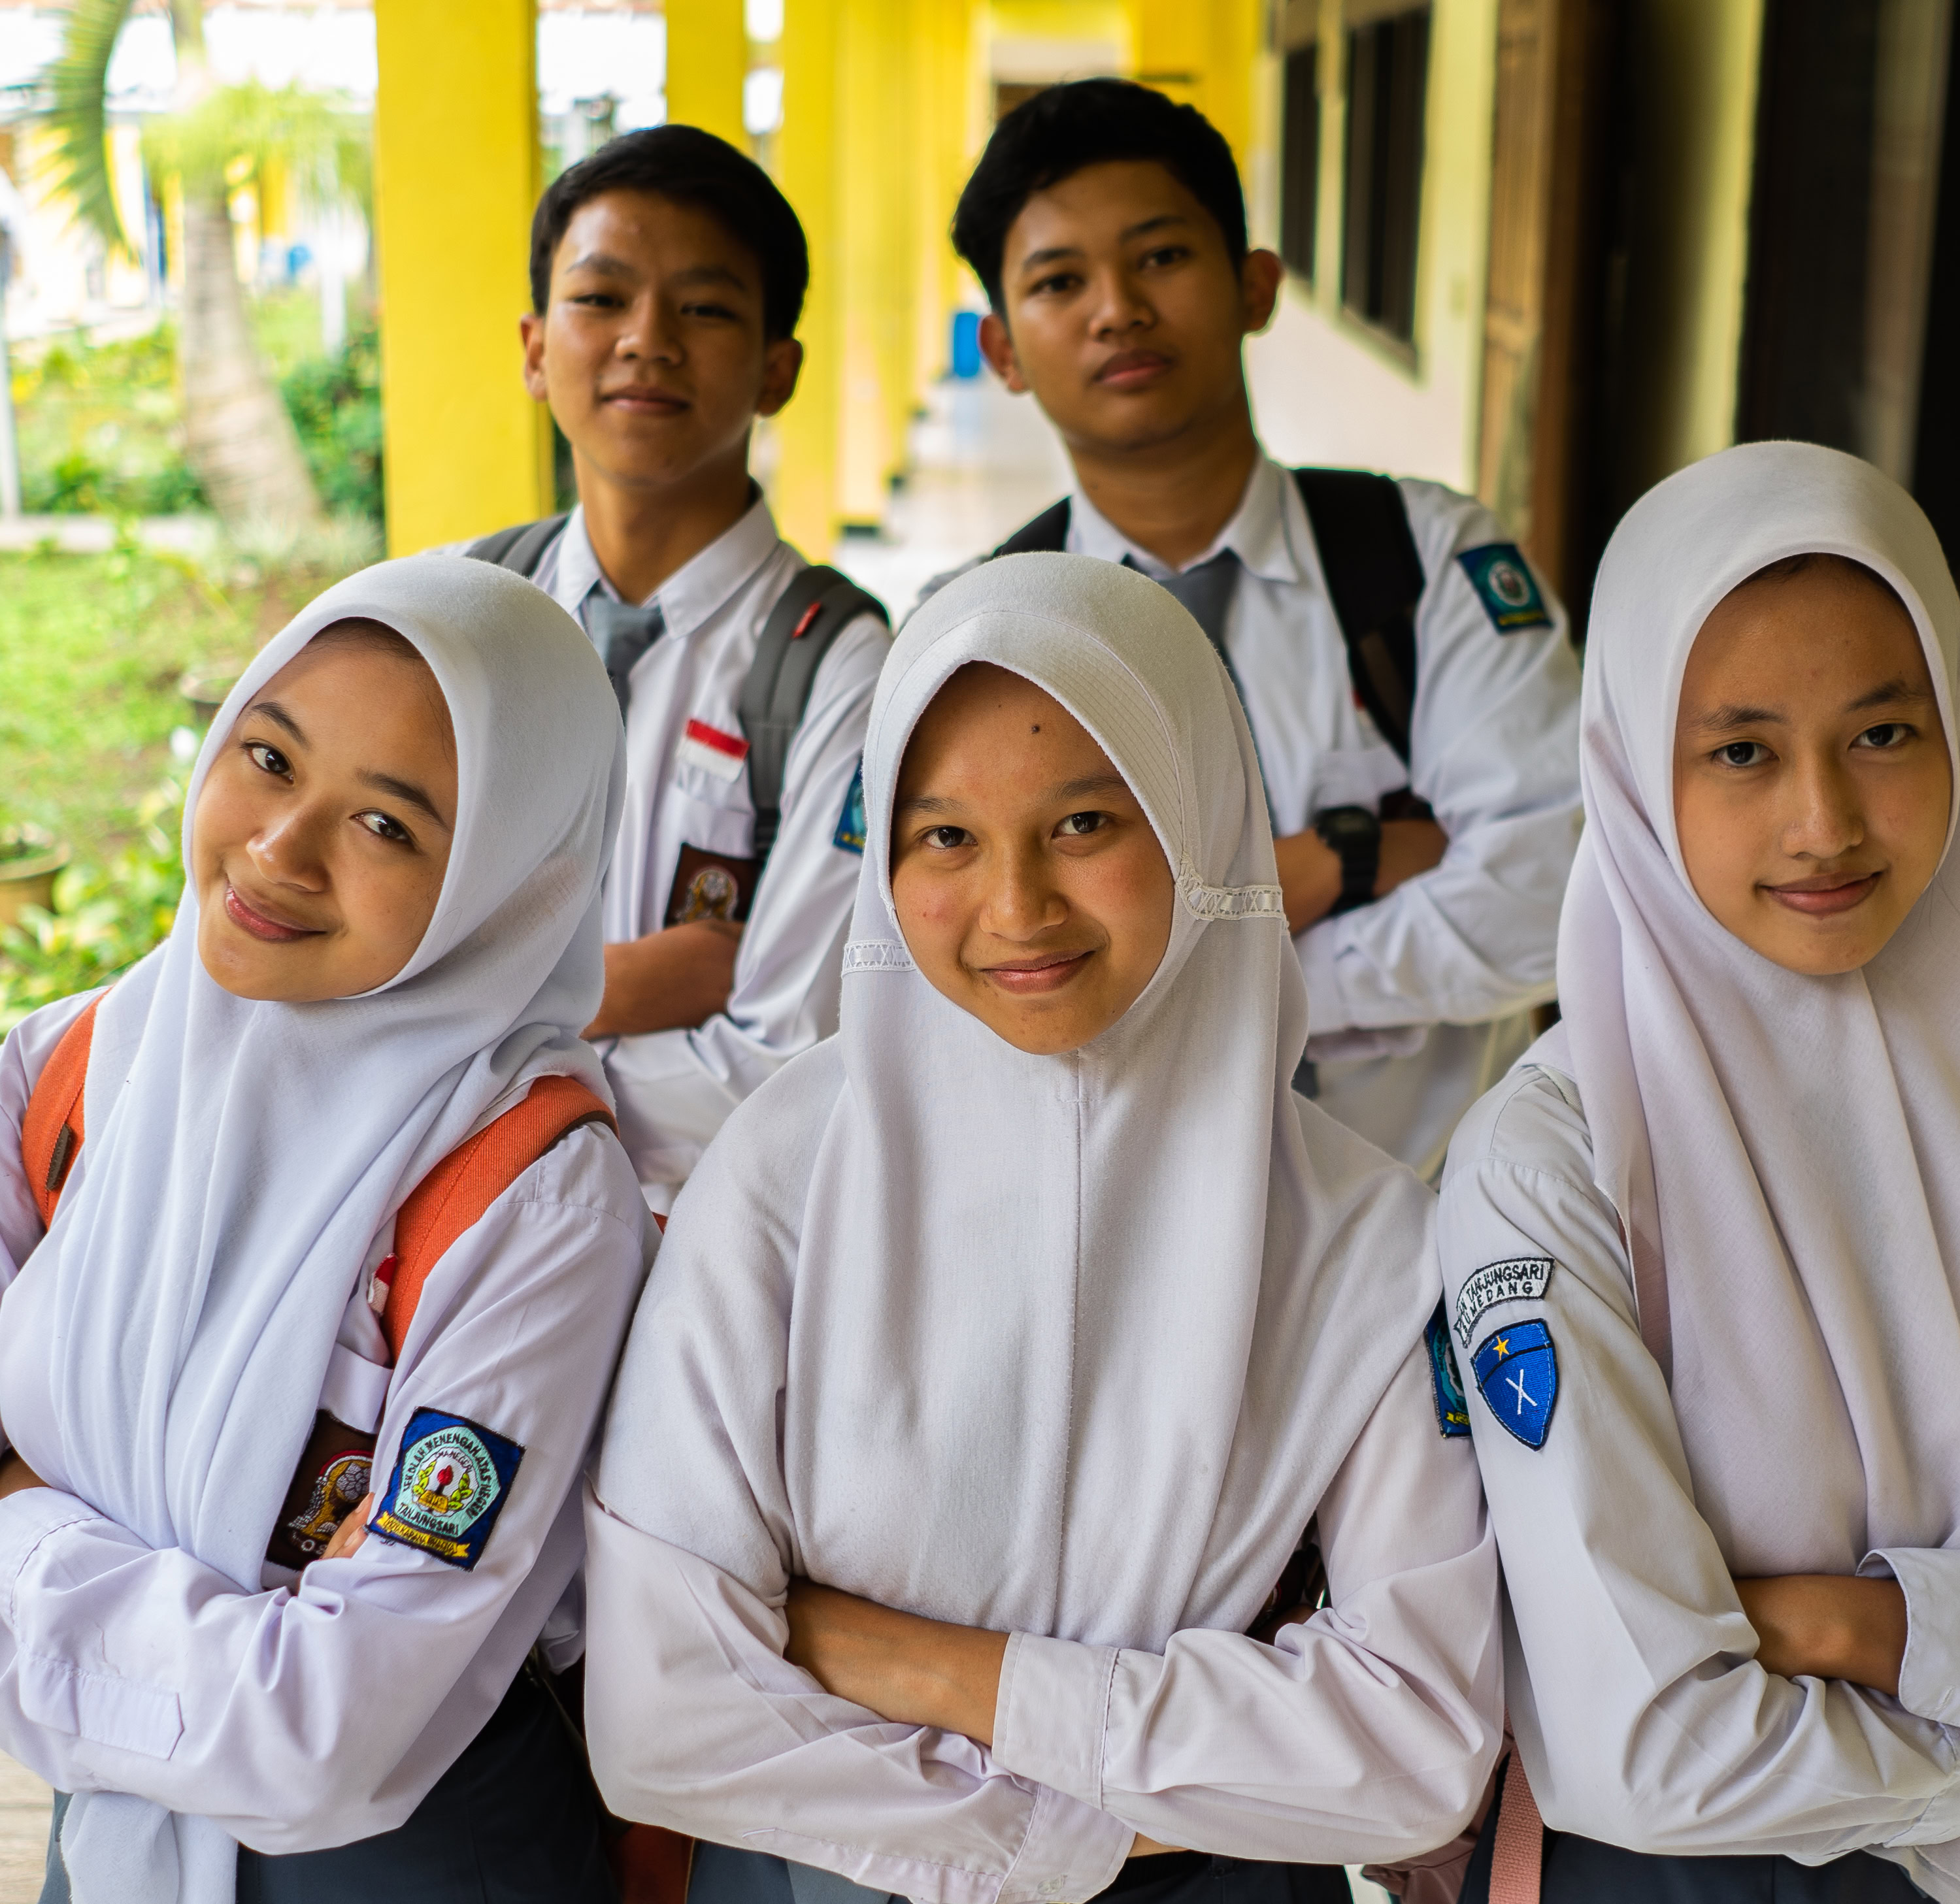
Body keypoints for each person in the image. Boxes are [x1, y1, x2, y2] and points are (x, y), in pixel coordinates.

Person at [584, 555, 1504, 1904]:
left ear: (1199, 816)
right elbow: (666, 1717)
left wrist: (925, 1668)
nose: (1016, 908)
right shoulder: (784, 1174)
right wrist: (1123, 1813)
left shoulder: (1361, 1236)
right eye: (944, 836)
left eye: (1084, 822)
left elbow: (1415, 1746)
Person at [1438, 444, 1960, 1904]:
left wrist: (1852, 1626)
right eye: (1742, 750)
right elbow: (1650, 1746)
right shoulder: (1555, 1163)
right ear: (1638, 771)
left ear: (1959, 730)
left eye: (1883, 734)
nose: (1823, 819)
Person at [0, 559, 659, 1903]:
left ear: (505, 882)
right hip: (107, 1848)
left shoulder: (527, 1190)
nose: (280, 846)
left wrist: (16, 1529)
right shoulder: (69, 1075)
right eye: (268, 756)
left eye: (389, 827)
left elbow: (326, 1741)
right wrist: (211, 1667)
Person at [940, 78, 1582, 1175]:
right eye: (1059, 281)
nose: (1116, 310)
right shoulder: (979, 635)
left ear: (1254, 286)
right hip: (1110, 1230)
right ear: (1002, 350)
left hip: (1412, 1221)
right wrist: (1350, 858)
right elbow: (946, 980)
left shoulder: (1422, 560)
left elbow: (1552, 890)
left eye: (1160, 257)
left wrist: (1242, 980)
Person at [457, 122, 888, 1204]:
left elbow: (785, 1060)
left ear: (777, 369)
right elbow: (338, 970)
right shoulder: (451, 613)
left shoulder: (841, 667)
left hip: (692, 1254)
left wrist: (461, 1050)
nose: (647, 339)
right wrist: (610, 985)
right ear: (532, 345)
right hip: (428, 1261)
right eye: (600, 299)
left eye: (703, 308)